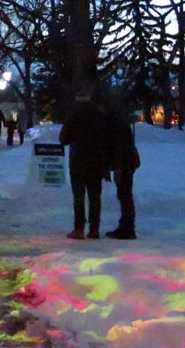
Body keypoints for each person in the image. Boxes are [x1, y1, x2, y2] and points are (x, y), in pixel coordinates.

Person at [59, 90, 110, 240]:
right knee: (95, 196)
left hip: (78, 162)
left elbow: (63, 139)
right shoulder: (99, 116)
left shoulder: (72, 117)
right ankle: (94, 229)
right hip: (96, 162)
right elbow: (106, 139)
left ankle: (79, 228)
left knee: (79, 196)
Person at [105, 110, 141, 240]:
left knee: (124, 195)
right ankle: (127, 225)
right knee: (125, 194)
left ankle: (127, 227)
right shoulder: (122, 125)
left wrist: (117, 167)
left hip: (124, 164)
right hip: (128, 163)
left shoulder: (116, 127)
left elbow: (119, 148)